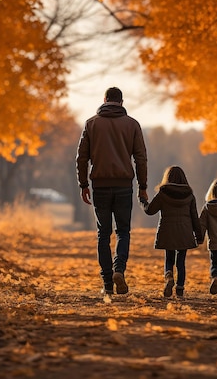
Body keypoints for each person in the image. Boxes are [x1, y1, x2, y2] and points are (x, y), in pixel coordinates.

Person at [76, 87, 148, 296]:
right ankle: (119, 270)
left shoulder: (91, 124)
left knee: (103, 234)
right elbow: (141, 158)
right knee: (123, 231)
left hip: (100, 186)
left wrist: (83, 184)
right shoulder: (132, 125)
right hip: (124, 185)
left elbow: (81, 157)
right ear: (122, 102)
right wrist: (142, 187)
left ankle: (107, 283)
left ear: (105, 100)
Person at [140, 166, 201, 298]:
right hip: (185, 232)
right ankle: (179, 290)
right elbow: (194, 217)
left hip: (167, 231)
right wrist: (199, 235)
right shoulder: (189, 196)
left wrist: (143, 201)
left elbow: (150, 210)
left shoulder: (163, 194)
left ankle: (168, 276)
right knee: (181, 261)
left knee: (169, 257)